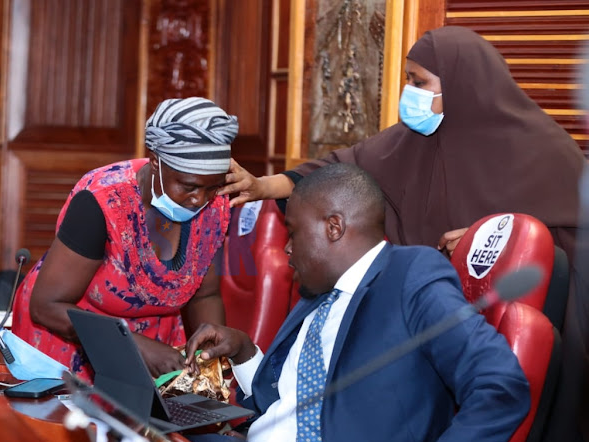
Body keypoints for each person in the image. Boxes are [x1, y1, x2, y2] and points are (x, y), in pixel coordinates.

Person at [139, 163, 530, 442]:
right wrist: (242, 350)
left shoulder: (412, 276)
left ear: (334, 227)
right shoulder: (319, 289)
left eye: (293, 232)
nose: (287, 249)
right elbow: (285, 395)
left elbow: (500, 384)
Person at [220, 26, 583, 264]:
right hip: (428, 314)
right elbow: (336, 168)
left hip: (510, 329)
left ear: (462, 84)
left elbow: (572, 250)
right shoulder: (412, 141)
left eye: (419, 82)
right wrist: (261, 186)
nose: (409, 93)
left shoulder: (546, 152)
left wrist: (493, 241)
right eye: (408, 79)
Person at [11, 97, 239, 378]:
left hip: (155, 349)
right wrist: (131, 344)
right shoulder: (103, 201)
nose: (199, 200)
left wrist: (209, 359)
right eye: (189, 186)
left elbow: (206, 294)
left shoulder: (215, 208)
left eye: (212, 188)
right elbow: (46, 306)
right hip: (71, 345)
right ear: (155, 161)